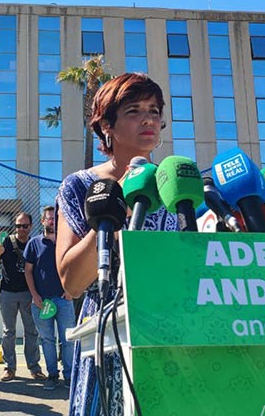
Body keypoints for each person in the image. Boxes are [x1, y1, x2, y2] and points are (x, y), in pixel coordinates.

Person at [55, 73, 178, 416]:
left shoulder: (174, 183)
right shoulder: (79, 186)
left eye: (154, 110)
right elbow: (71, 281)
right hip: (106, 332)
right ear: (106, 125)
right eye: (134, 110)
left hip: (167, 329)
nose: (149, 119)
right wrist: (112, 209)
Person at [0, 211, 45, 382]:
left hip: (28, 293)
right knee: (9, 332)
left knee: (31, 331)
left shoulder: (35, 243)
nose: (21, 229)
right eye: (18, 226)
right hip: (8, 292)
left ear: (31, 226)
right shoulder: (6, 241)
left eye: (25, 226)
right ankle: (9, 368)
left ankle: (34, 368)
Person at [24, 206, 74, 390]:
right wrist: (34, 295)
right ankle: (52, 375)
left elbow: (74, 267)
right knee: (47, 340)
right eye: (49, 218)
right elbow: (28, 271)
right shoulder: (34, 243)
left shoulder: (67, 241)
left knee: (67, 339)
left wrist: (71, 290)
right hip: (41, 302)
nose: (52, 221)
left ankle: (69, 376)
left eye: (55, 218)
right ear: (43, 221)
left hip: (64, 300)